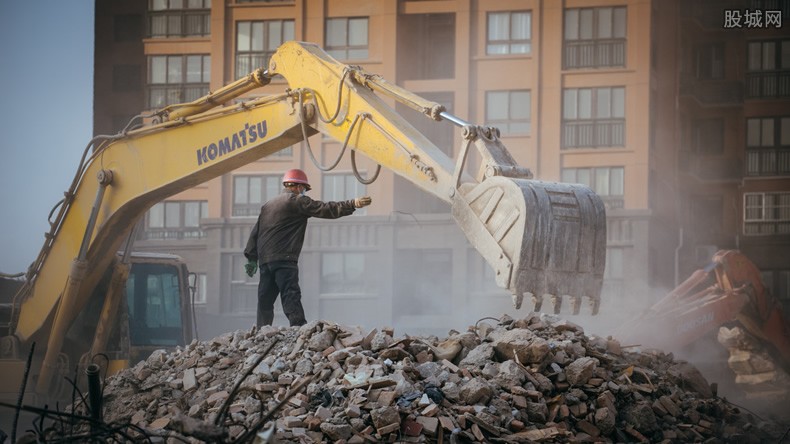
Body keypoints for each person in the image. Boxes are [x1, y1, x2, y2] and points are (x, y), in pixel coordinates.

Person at [243, 168, 372, 327]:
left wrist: (251, 257)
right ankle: (298, 329)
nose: (304, 192)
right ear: (297, 186)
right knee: (290, 294)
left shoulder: (268, 206)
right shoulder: (296, 201)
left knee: (265, 299)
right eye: (304, 189)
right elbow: (325, 209)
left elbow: (255, 232)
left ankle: (262, 331)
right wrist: (352, 204)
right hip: (284, 259)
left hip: (265, 262)